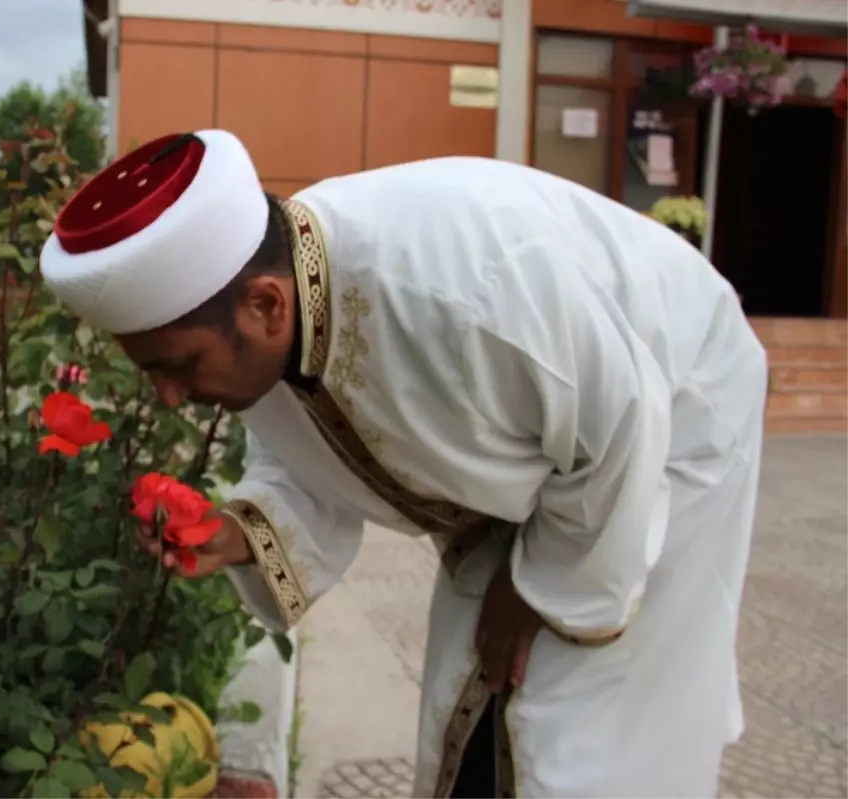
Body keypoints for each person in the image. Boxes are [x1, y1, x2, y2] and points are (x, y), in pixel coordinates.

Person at [38, 129, 767, 799]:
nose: (170, 398)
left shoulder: (468, 288)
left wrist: (536, 588)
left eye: (179, 366)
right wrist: (231, 534)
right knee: (473, 689)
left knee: (582, 727)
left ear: (265, 306)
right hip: (566, 447)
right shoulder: (273, 298)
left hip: (678, 410)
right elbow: (303, 455)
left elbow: (622, 426)